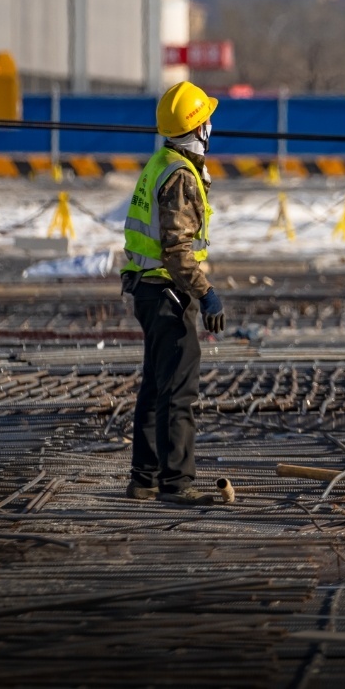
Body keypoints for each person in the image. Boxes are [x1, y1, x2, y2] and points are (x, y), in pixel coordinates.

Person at [121, 82, 226, 506]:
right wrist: (206, 293)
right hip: (167, 290)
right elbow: (177, 249)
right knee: (179, 389)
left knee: (156, 386)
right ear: (198, 129)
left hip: (149, 288)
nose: (210, 126)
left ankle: (144, 478)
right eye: (206, 120)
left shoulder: (161, 163)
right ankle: (176, 483)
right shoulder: (180, 176)